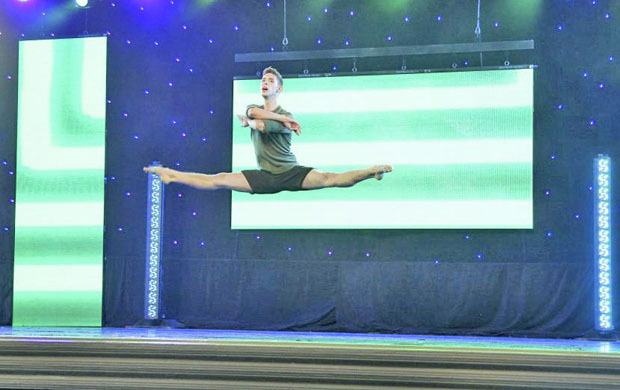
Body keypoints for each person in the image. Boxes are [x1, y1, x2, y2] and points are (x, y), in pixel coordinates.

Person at [143, 66, 392, 193]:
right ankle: (170, 174)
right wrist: (264, 120)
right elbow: (253, 114)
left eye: (270, 81)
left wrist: (271, 122)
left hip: (290, 172)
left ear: (279, 89)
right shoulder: (265, 112)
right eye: (263, 80)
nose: (265, 83)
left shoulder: (288, 117)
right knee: (218, 180)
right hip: (265, 176)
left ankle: (372, 171)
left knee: (330, 179)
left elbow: (259, 123)